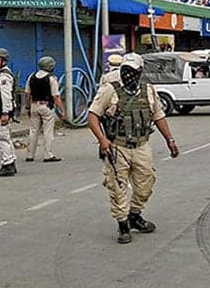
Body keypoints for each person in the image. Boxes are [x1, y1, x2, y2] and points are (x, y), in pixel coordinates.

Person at [87, 53, 179, 244]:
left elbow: (158, 116)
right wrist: (103, 140)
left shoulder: (149, 91)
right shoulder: (109, 90)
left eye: (133, 71)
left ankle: (134, 214)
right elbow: (93, 116)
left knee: (146, 183)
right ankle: (122, 225)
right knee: (117, 186)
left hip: (141, 146)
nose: (128, 75)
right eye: (125, 70)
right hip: (117, 146)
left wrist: (170, 139)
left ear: (140, 71)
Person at [25, 56, 66, 163]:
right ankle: (48, 155)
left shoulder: (31, 77)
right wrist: (62, 110)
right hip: (46, 106)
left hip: (34, 105)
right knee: (48, 131)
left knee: (33, 131)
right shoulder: (51, 79)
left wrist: (28, 107)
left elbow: (27, 94)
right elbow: (56, 96)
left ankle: (30, 155)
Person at [0, 48, 18, 177]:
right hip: (1, 109)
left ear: (4, 61)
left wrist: (5, 113)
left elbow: (6, 95)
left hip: (1, 110)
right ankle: (10, 162)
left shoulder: (4, 76)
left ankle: (7, 165)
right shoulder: (1, 74)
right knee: (5, 137)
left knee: (0, 138)